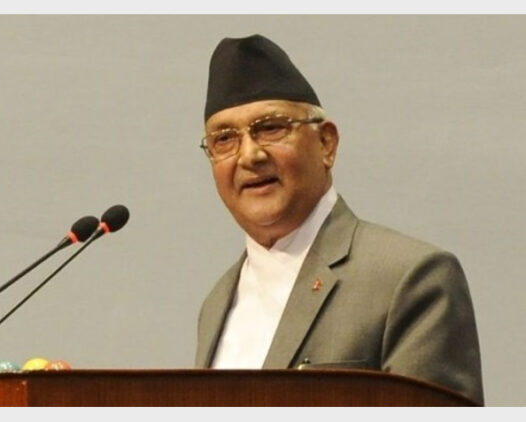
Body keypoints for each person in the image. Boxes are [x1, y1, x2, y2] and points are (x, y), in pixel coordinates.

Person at [194, 34, 483, 405]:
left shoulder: (408, 277)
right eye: (224, 139)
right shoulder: (217, 303)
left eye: (271, 127)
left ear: (326, 143)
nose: (250, 155)